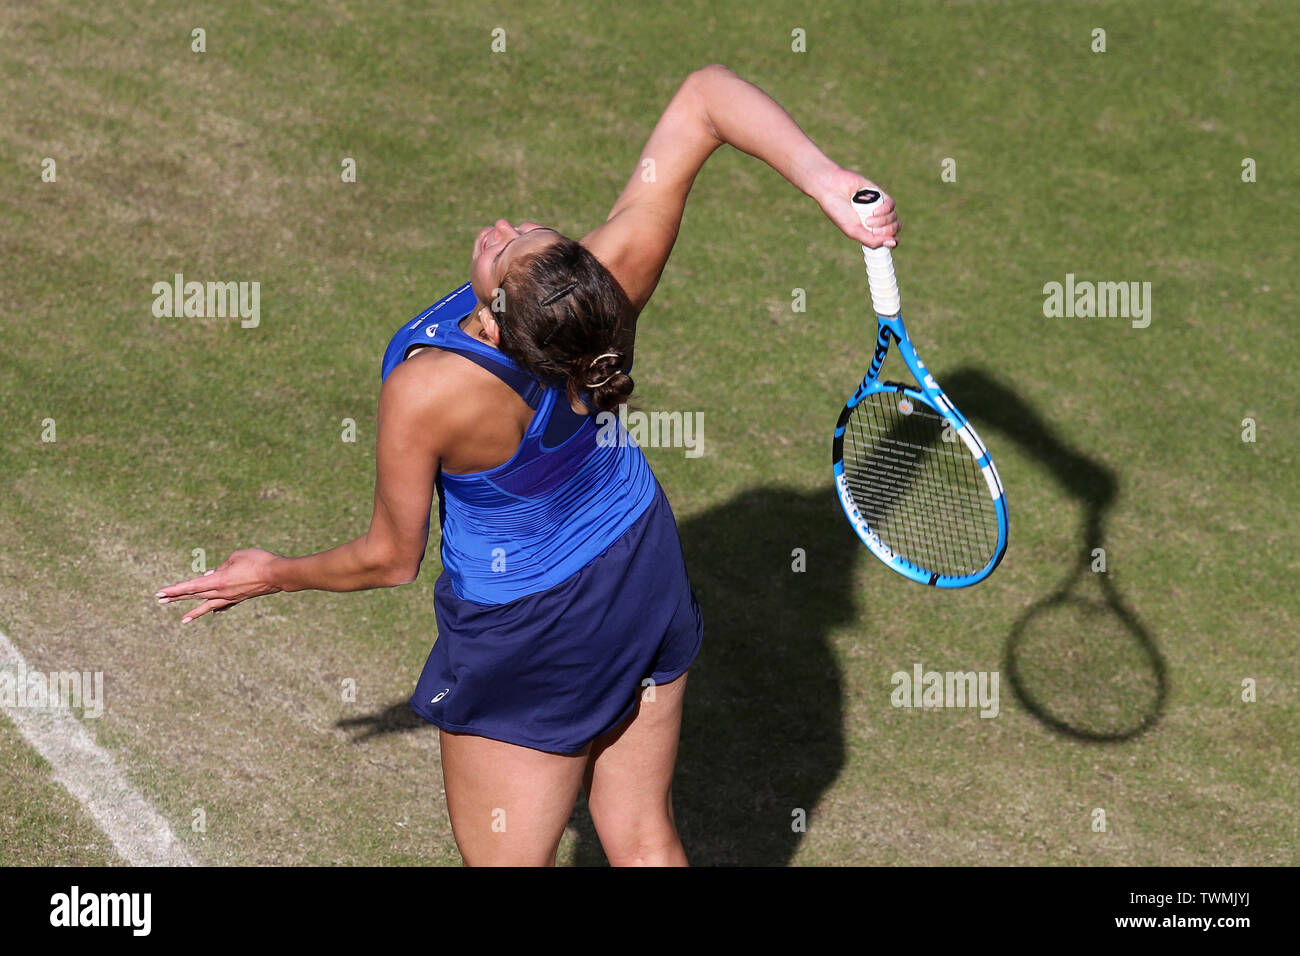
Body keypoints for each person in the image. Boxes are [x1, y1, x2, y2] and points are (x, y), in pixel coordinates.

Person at [155, 64, 900, 866]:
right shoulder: (609, 285)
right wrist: (827, 183)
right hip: (642, 570)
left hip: (532, 631)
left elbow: (391, 558)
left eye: (508, 250)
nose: (501, 227)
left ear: (509, 321)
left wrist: (275, 572)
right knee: (644, 836)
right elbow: (705, 98)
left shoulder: (430, 394)